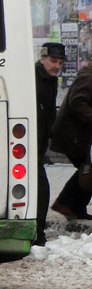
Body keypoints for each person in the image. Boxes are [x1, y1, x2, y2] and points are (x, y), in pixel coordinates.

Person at [50, 59, 92, 221]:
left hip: (79, 133)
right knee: (87, 167)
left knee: (86, 168)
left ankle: (74, 206)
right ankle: (65, 203)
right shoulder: (88, 77)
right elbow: (76, 101)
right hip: (72, 133)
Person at [34, 42, 65, 244]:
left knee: (39, 189)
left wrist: (48, 139)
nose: (57, 66)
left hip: (39, 144)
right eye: (53, 61)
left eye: (60, 63)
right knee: (41, 189)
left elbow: (48, 113)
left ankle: (37, 233)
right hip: (27, 143)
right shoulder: (33, 78)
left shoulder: (50, 79)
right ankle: (37, 235)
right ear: (43, 58)